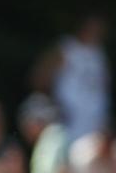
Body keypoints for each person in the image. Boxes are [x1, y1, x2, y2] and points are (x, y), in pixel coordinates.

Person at [31, 13, 110, 142]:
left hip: (95, 124)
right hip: (67, 123)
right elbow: (39, 78)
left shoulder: (100, 53)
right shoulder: (66, 48)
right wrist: (54, 106)